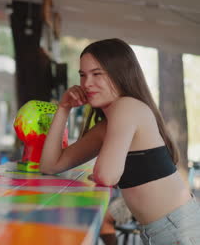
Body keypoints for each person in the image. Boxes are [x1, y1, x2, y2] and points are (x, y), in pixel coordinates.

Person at [39, 38, 200, 245]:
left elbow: (106, 175)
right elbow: (51, 165)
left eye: (97, 74)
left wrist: (97, 173)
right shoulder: (108, 124)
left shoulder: (127, 107)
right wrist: (63, 109)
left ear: (119, 74)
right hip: (165, 230)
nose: (87, 83)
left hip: (179, 231)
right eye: (82, 75)